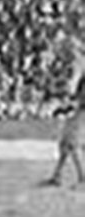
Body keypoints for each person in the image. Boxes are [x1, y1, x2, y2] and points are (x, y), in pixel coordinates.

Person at [43, 53, 85, 186]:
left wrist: (66, 108)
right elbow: (78, 96)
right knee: (64, 144)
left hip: (81, 113)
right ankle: (57, 176)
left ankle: (83, 179)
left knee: (73, 145)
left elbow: (82, 100)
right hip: (78, 111)